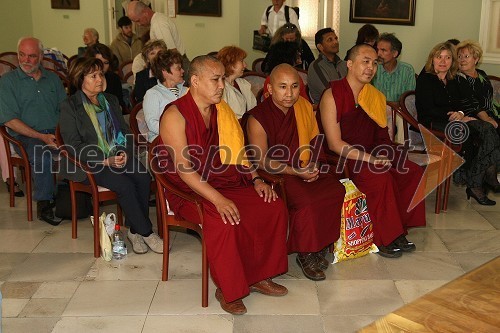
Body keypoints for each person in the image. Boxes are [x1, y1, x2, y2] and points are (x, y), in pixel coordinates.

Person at [156, 55, 289, 315]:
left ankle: (259, 275)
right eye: (215, 80)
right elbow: (184, 171)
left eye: (222, 80)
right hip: (190, 190)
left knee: (271, 206)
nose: (221, 86)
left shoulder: (221, 111)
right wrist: (218, 199)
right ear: (194, 81)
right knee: (224, 218)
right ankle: (229, 290)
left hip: (226, 179)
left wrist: (256, 179)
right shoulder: (175, 115)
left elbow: (237, 152)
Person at [318, 44, 426, 257]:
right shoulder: (332, 96)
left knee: (412, 171)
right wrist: (371, 160)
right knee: (380, 176)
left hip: (372, 150)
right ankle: (384, 236)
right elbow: (334, 143)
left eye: (375, 63)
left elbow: (381, 136)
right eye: (365, 61)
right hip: (343, 158)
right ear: (349, 64)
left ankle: (398, 227)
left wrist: (384, 154)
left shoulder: (374, 96)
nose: (371, 68)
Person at [245, 64, 344, 281]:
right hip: (277, 174)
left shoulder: (304, 107)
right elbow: (260, 159)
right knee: (307, 199)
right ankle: (306, 253)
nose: (289, 94)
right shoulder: (257, 117)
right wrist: (295, 172)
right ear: (269, 88)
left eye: (294, 87)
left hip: (303, 166)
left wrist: (314, 165)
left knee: (335, 189)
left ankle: (318, 245)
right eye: (282, 87)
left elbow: (314, 140)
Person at [59, 57, 163, 254]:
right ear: (80, 79)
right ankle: (147, 232)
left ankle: (134, 231)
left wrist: (123, 152)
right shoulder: (70, 106)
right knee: (124, 185)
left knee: (142, 176)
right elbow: (72, 145)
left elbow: (124, 132)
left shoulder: (111, 100)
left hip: (116, 154)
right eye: (94, 76)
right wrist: (105, 160)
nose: (100, 79)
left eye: (101, 74)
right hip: (89, 162)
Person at [416, 42, 500, 203]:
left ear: (452, 61)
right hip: (434, 122)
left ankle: (474, 177)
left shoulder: (452, 79)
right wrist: (454, 116)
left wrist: (461, 113)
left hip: (457, 121)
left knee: (488, 129)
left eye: (447, 57)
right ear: (432, 59)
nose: (443, 61)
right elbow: (427, 108)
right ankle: (477, 178)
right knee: (474, 134)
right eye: (439, 57)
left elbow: (461, 104)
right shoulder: (426, 79)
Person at [0, 37, 67, 225]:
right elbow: (10, 121)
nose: (25, 60)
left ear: (41, 57)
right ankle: (44, 204)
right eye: (22, 55)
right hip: (24, 136)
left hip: (53, 132)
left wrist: (62, 134)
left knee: (81, 148)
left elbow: (64, 110)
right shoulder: (8, 82)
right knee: (41, 153)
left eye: (31, 56)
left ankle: (72, 197)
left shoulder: (52, 79)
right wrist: (41, 136)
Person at [127, 0, 190, 77]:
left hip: (177, 67)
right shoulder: (159, 18)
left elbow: (172, 52)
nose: (139, 24)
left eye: (138, 20)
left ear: (145, 12)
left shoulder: (158, 24)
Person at [143, 49, 187, 142]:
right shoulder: (153, 94)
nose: (183, 71)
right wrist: (177, 133)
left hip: (187, 138)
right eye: (178, 68)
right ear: (165, 71)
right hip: (162, 140)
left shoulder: (187, 91)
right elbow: (152, 123)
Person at [456, 40, 499, 131]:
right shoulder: (459, 78)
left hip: (490, 114)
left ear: (476, 59)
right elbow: (473, 102)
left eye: (466, 56)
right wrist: (487, 119)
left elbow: (489, 97)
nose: (462, 60)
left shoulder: (481, 74)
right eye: (459, 57)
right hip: (473, 117)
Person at [371, 33, 416, 102]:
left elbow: (410, 100)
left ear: (395, 53)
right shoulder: (373, 67)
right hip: (376, 110)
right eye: (377, 50)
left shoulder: (407, 70)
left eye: (383, 50)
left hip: (399, 111)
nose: (378, 54)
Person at [308, 28, 347, 104]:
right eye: (330, 40)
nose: (335, 42)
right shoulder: (316, 66)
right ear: (320, 47)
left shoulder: (344, 64)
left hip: (346, 106)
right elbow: (330, 93)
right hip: (326, 109)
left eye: (336, 38)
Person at [84, 43, 127, 112]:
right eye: (99, 62)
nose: (102, 66)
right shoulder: (81, 80)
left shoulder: (114, 78)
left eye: (106, 63)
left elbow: (121, 105)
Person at [217, 46, 257, 119]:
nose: (245, 65)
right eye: (241, 61)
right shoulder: (221, 88)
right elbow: (224, 117)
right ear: (230, 64)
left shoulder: (243, 83)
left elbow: (254, 108)